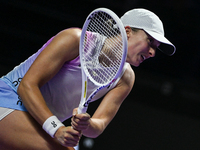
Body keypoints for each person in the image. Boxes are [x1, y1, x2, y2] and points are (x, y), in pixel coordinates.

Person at [0, 8, 175, 150]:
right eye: (150, 41)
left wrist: (87, 123)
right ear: (127, 31)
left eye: (156, 48)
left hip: (42, 120)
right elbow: (27, 86)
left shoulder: (126, 78)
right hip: (10, 99)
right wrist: (56, 129)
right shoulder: (76, 40)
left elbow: (97, 127)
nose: (152, 52)